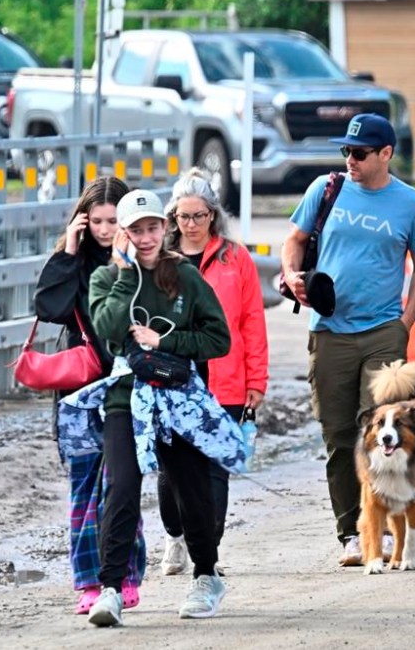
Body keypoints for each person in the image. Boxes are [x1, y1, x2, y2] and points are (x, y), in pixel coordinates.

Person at [59, 189, 245, 627]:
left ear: (166, 228)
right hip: (127, 395)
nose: (145, 238)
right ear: (122, 234)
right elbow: (106, 329)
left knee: (190, 486)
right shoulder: (107, 278)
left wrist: (167, 342)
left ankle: (206, 574)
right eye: (136, 230)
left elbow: (218, 339)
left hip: (178, 395)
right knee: (121, 485)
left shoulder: (184, 275)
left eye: (152, 228)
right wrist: (125, 274)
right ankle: (110, 589)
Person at [280, 113, 415, 566]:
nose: (351, 159)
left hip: (385, 331)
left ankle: (386, 531)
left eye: (361, 153)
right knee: (340, 434)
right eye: (346, 151)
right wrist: (292, 275)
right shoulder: (326, 190)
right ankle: (351, 533)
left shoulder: (410, 204)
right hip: (329, 332)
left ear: (386, 154)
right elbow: (295, 239)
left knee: (383, 431)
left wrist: (405, 322)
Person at [32, 176, 145, 615]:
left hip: (128, 385)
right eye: (95, 220)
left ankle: (127, 576)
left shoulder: (141, 259)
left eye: (112, 220)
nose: (103, 228)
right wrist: (69, 251)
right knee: (83, 487)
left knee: (120, 487)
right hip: (79, 388)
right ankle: (89, 584)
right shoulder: (73, 260)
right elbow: (49, 308)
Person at [158, 168, 269, 575]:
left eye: (198, 215)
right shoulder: (160, 260)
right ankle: (175, 536)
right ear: (172, 218)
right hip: (173, 380)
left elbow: (252, 321)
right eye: (183, 217)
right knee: (172, 471)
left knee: (213, 471)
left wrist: (257, 379)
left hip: (225, 378)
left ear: (212, 215)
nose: (190, 224)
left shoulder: (235, 258)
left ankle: (210, 554)